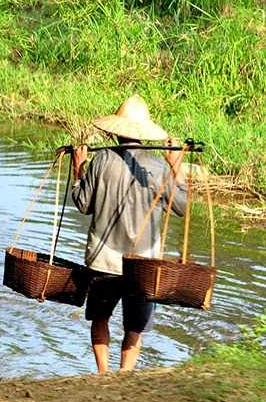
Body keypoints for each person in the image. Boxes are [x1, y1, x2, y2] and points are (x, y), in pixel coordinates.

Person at [71, 94, 188, 373]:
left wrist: (78, 167)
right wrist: (177, 166)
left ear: (116, 131)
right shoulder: (159, 168)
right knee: (135, 326)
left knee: (100, 318)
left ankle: (103, 375)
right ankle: (125, 376)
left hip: (104, 260)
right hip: (143, 266)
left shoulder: (100, 161)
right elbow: (181, 207)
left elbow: (83, 204)